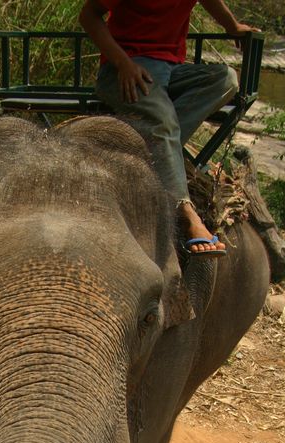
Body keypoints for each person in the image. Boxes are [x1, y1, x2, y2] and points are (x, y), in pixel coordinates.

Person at [79, 0, 260, 257]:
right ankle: (184, 212)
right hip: (125, 71)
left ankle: (146, 145)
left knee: (226, 79)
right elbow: (88, 16)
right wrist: (122, 63)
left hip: (171, 69)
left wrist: (232, 26)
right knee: (163, 121)